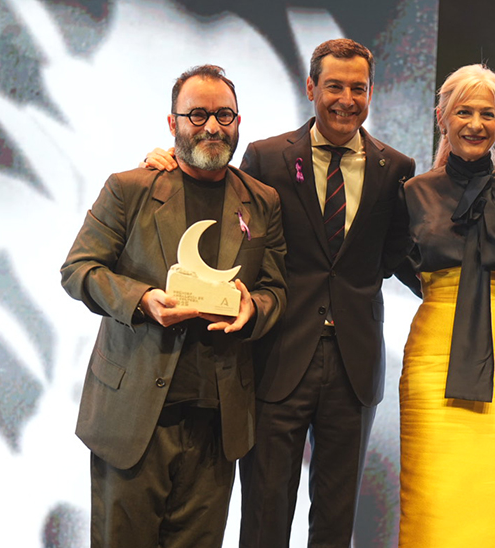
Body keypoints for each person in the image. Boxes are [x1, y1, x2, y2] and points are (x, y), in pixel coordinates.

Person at [144, 39, 415, 547]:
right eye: (334, 85)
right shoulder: (267, 157)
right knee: (265, 517)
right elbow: (218, 208)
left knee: (335, 522)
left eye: (358, 88)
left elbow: (401, 256)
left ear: (371, 93)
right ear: (311, 88)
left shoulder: (395, 169)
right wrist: (166, 162)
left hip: (354, 368)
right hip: (277, 359)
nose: (346, 98)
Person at [60, 64, 287, 548]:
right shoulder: (131, 188)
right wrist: (141, 300)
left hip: (218, 421)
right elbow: (78, 270)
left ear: (239, 121)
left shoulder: (262, 200)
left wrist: (255, 310)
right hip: (133, 418)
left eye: (224, 115)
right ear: (173, 123)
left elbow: (276, 289)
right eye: (198, 114)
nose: (211, 126)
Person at [398, 64, 495, 547]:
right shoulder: (412, 192)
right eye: (463, 111)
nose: (475, 123)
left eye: (487, 113)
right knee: (430, 494)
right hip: (432, 358)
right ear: (442, 116)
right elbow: (401, 261)